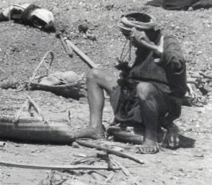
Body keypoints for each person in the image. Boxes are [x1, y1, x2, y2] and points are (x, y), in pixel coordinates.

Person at [74, 11, 188, 154]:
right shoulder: (142, 47)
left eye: (129, 36)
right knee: (94, 75)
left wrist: (153, 47)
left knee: (143, 88)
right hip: (136, 96)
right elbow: (144, 73)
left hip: (163, 101)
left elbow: (177, 66)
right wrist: (127, 71)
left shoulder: (167, 41)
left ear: (140, 33)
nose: (129, 41)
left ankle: (151, 138)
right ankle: (95, 128)